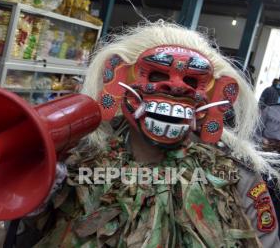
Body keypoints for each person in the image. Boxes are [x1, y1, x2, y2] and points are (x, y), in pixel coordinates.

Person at [29, 22, 280, 247]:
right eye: (157, 74)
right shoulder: (80, 154)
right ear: (117, 78)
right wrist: (36, 193)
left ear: (219, 95)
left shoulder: (237, 176)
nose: (174, 87)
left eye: (192, 81)